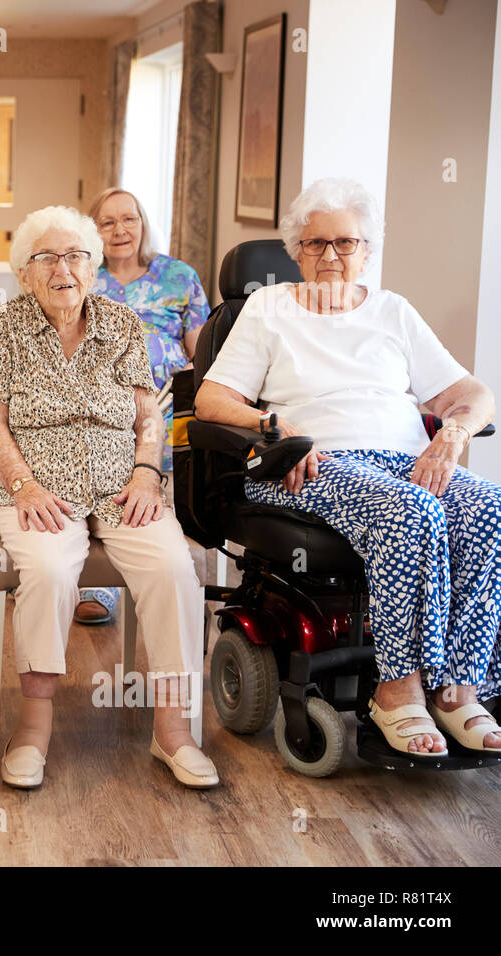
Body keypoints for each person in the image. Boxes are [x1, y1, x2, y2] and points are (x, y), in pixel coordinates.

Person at [196, 177, 501, 757]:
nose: (332, 256)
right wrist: (276, 428)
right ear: (296, 250)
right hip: (310, 464)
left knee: (491, 508)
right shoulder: (267, 307)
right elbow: (212, 402)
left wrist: (454, 432)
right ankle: (397, 692)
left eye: (347, 243)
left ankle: (459, 689)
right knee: (411, 514)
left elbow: (472, 392)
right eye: (316, 244)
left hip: (406, 459)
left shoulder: (394, 311)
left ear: (367, 249)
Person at [0, 204, 217, 790]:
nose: (64, 268)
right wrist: (23, 484)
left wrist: (145, 473)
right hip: (36, 487)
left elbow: (147, 416)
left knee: (172, 569)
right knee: (51, 570)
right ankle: (33, 728)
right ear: (25, 271)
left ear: (93, 264)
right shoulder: (4, 325)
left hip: (120, 483)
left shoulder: (122, 323)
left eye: (77, 254)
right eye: (47, 257)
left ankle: (173, 730)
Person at [75, 187, 211, 625]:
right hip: (99, 405)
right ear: (92, 231)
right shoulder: (80, 275)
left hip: (166, 402)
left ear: (143, 223)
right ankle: (96, 581)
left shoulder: (178, 276)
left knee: (168, 454)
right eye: (107, 222)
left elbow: (202, 359)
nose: (120, 230)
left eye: (129, 219)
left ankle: (163, 571)